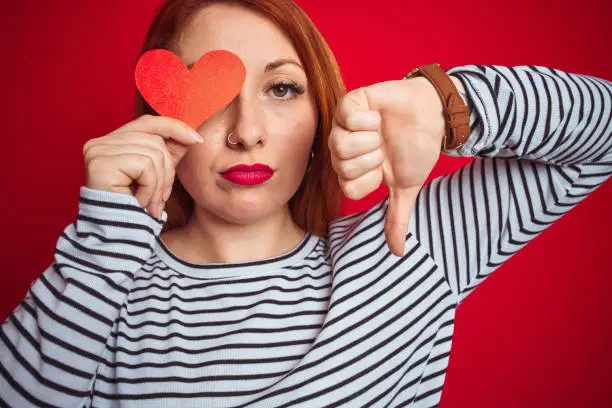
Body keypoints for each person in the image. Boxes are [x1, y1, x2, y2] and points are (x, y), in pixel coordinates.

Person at [1, 0, 610, 406]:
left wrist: (445, 105)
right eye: (210, 95)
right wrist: (103, 243)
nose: (247, 131)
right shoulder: (98, 286)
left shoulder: (405, 251)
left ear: (322, 117)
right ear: (159, 120)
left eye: (282, 88)